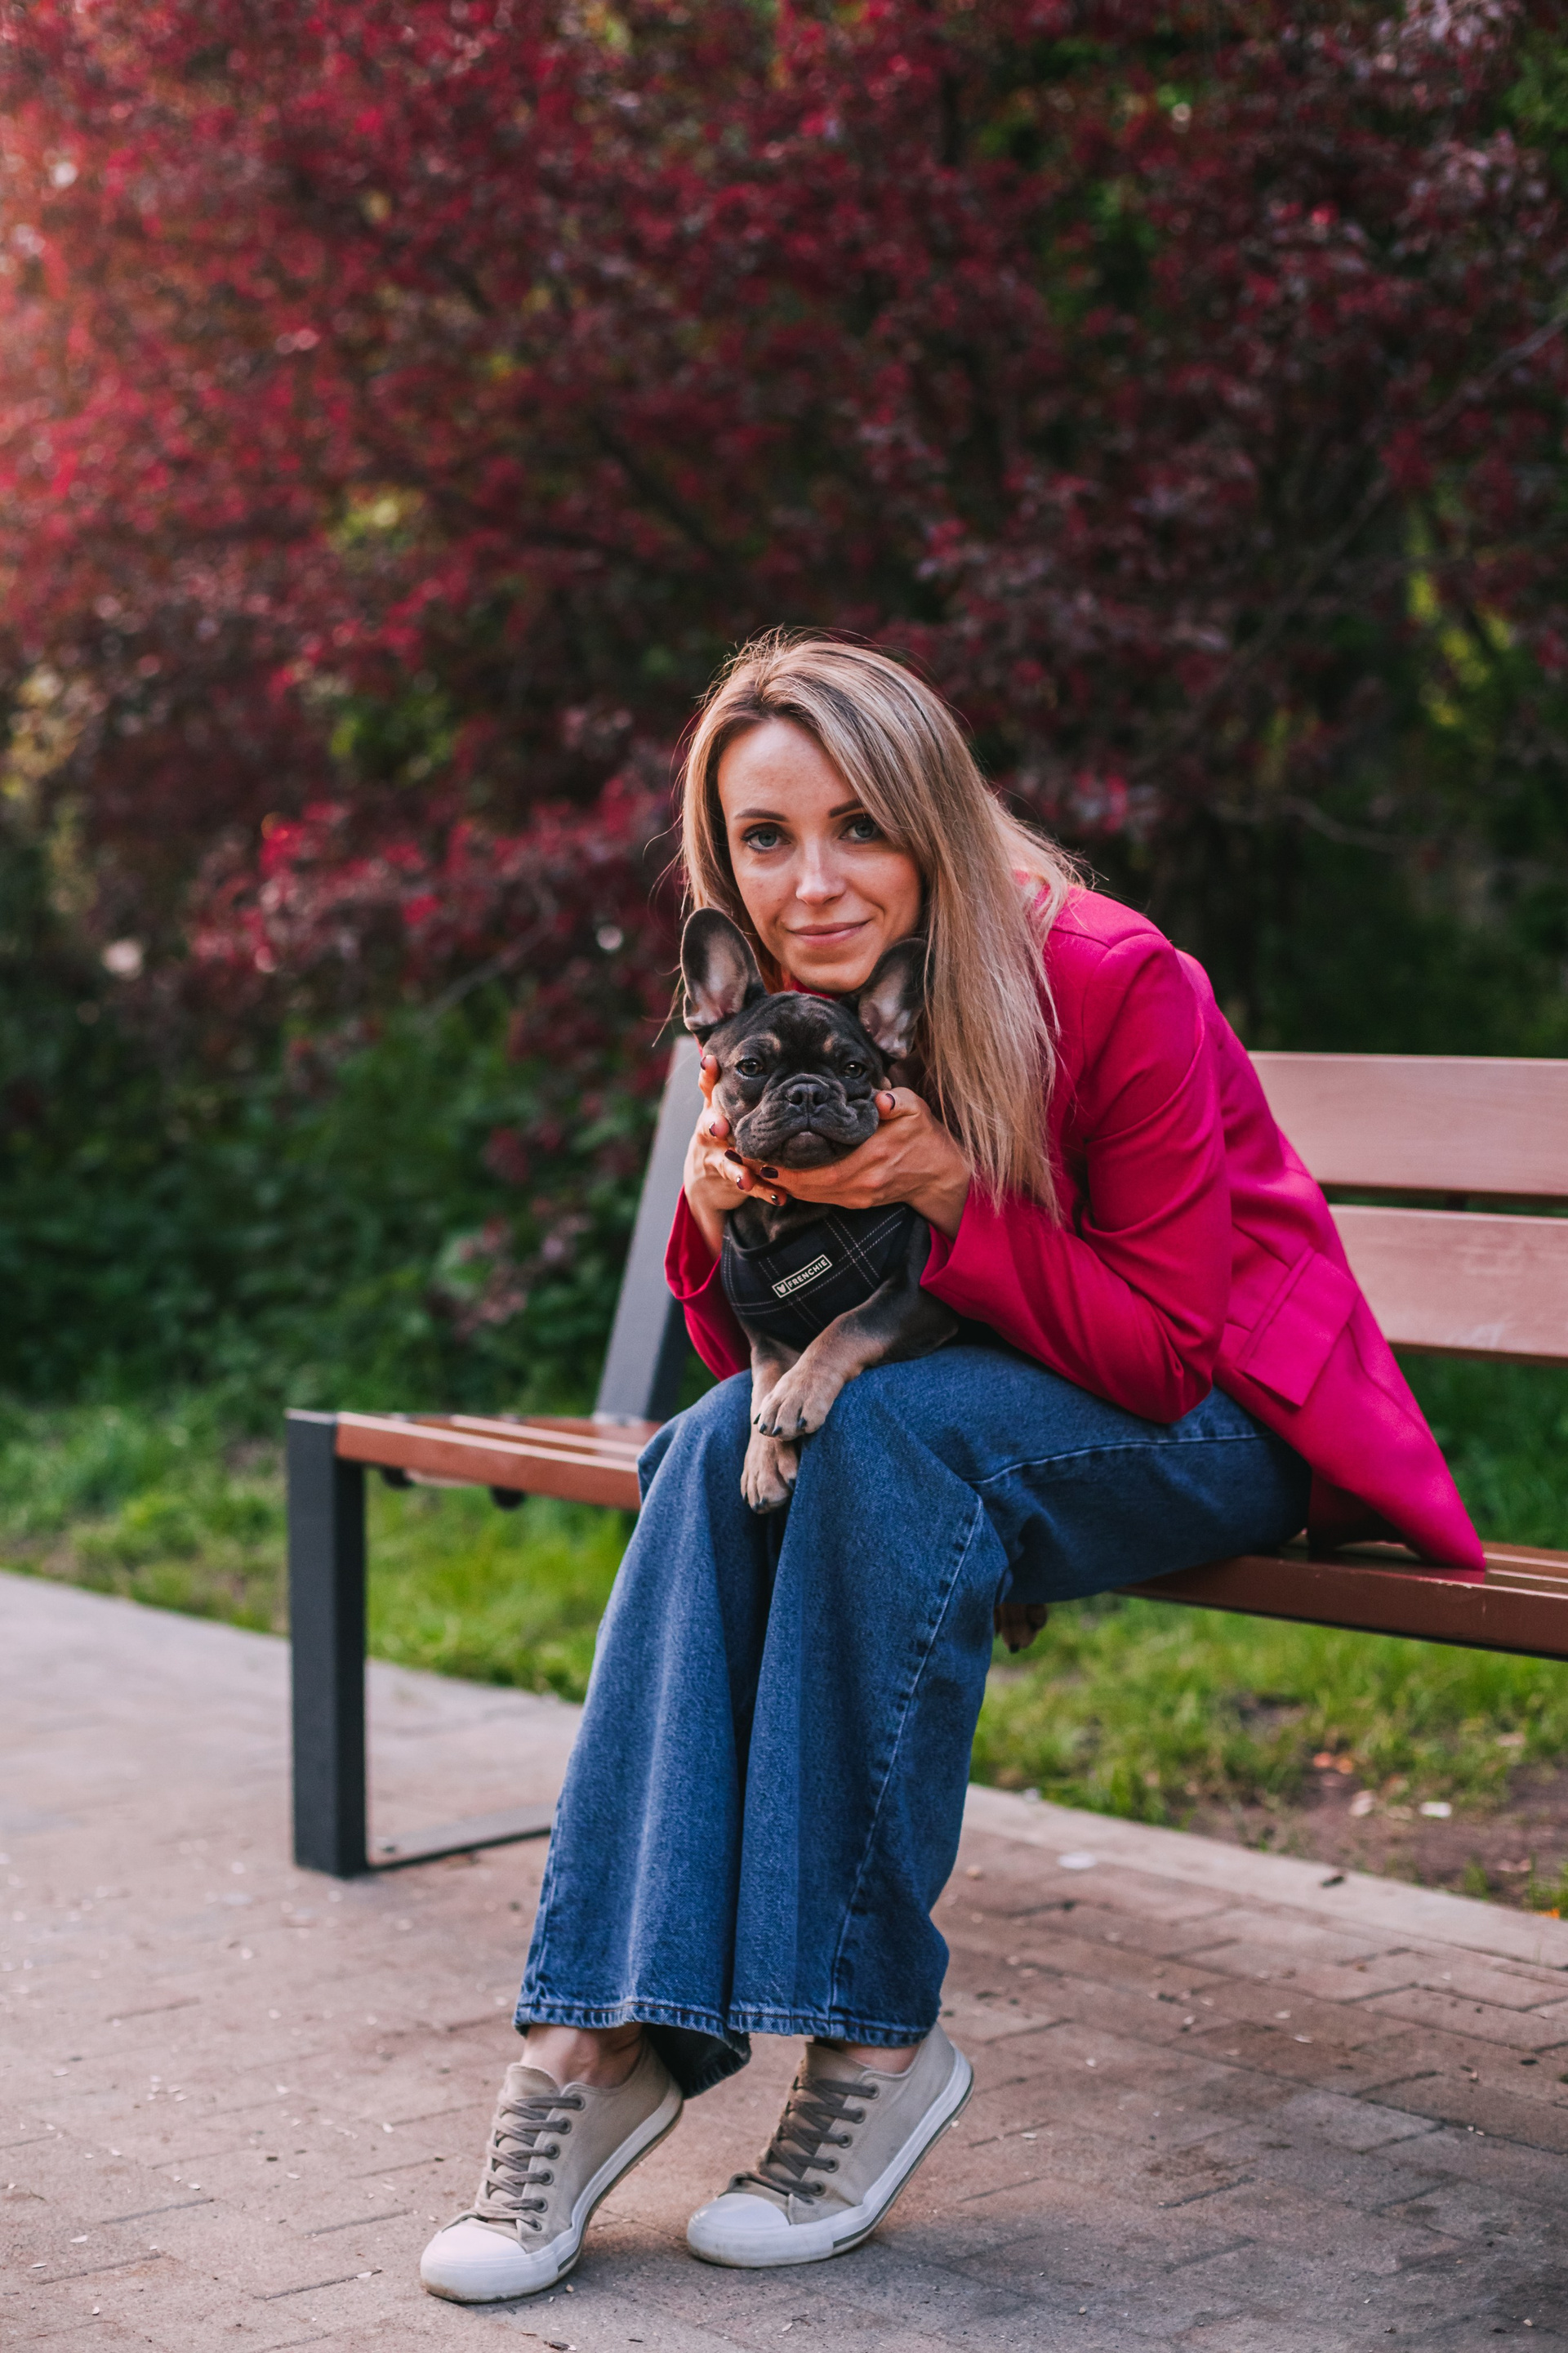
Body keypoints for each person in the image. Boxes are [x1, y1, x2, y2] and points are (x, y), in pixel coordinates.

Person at [420, 635, 1481, 2306]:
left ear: (932, 818)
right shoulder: (788, 1013)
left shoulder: (1114, 978)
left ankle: (871, 2046)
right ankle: (595, 2038)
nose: (814, 883)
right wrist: (713, 1214)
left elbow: (1165, 1351)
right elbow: (749, 1353)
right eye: (767, 838)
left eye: (859, 825)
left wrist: (943, 1194)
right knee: (705, 1452)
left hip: (1237, 1414)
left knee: (887, 1434)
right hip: (986, 1396)